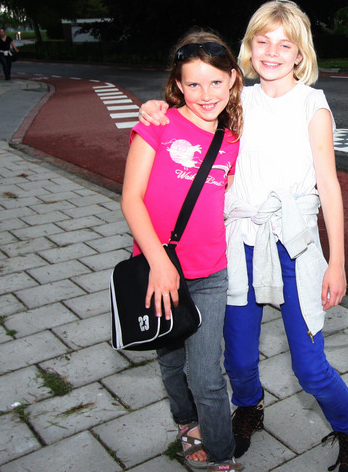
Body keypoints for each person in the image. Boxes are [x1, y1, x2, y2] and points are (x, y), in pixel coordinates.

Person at [140, 0, 348, 472]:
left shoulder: (312, 106)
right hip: (239, 242)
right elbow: (191, 108)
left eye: (285, 44)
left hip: (294, 245)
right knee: (239, 360)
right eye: (263, 41)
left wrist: (337, 262)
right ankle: (249, 407)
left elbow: (329, 186)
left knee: (310, 367)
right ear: (248, 47)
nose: (272, 52)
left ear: (300, 53)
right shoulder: (236, 99)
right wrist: (156, 107)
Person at [122, 31, 245, 472]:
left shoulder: (233, 139)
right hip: (158, 270)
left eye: (215, 82)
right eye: (193, 84)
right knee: (172, 361)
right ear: (177, 85)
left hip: (210, 273)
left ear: (232, 80)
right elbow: (131, 199)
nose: (205, 94)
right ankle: (185, 421)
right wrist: (158, 263)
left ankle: (222, 456)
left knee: (208, 375)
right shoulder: (158, 125)